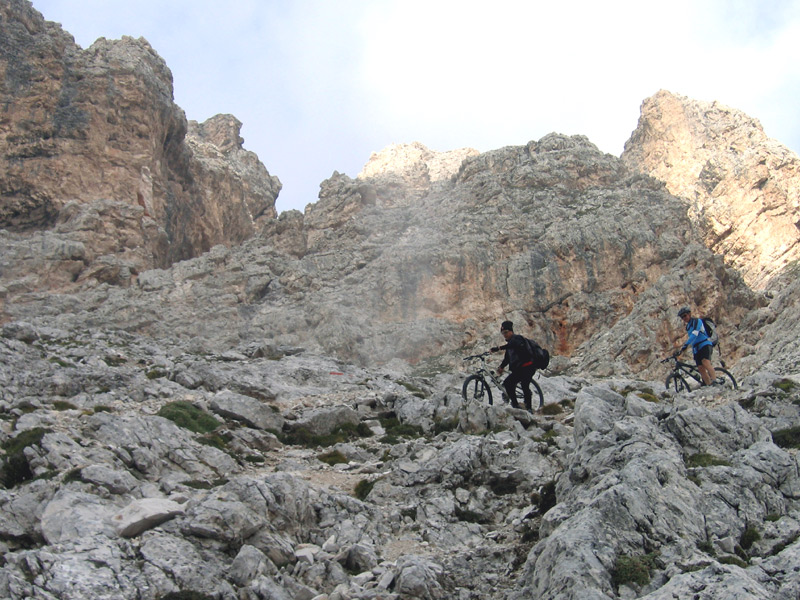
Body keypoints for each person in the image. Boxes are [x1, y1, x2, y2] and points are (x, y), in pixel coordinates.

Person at [490, 320, 536, 412]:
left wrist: (499, 348)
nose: (505, 335)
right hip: (519, 369)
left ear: (511, 331)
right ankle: (515, 405)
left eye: (506, 332)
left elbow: (513, 345)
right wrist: (501, 367)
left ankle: (529, 408)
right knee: (508, 383)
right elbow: (507, 358)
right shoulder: (509, 345)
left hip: (528, 366)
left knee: (524, 385)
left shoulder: (517, 339)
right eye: (503, 333)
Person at [676, 306, 718, 386]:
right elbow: (692, 339)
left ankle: (714, 380)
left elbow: (695, 334)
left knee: (705, 362)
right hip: (696, 349)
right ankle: (709, 385)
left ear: (689, 314)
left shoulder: (697, 321)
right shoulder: (688, 327)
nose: (684, 318)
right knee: (700, 368)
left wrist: (686, 345)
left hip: (705, 344)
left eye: (685, 315)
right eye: (682, 317)